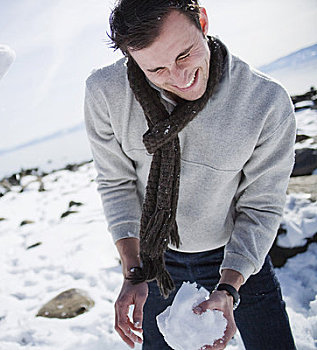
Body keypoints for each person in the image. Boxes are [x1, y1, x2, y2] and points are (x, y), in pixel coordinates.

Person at [84, 1, 296, 349]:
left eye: (185, 54)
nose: (181, 78)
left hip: (237, 253)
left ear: (203, 22)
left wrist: (229, 286)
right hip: (154, 258)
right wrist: (133, 268)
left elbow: (261, 205)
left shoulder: (266, 101)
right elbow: (116, 182)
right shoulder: (106, 92)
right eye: (157, 70)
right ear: (131, 60)